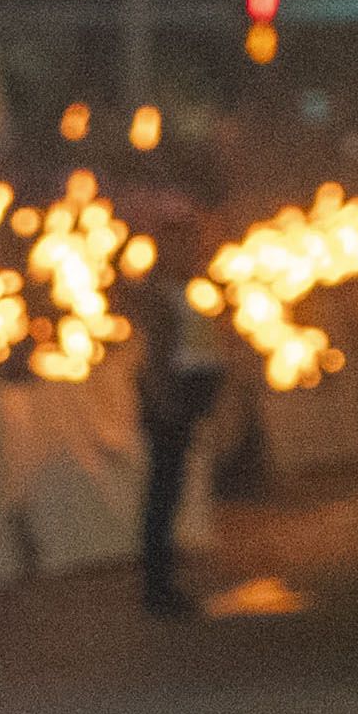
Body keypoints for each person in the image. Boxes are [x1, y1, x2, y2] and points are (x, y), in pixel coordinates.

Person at [126, 205, 229, 617]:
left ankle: (164, 581)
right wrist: (165, 400)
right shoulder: (159, 293)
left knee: (173, 490)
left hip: (186, 395)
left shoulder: (188, 287)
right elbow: (153, 356)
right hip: (169, 400)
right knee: (163, 493)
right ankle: (157, 586)